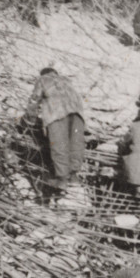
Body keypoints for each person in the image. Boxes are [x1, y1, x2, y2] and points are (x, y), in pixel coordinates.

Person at [25, 67, 85, 196]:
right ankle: (73, 175)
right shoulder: (67, 80)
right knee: (75, 145)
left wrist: (30, 118)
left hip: (57, 113)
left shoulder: (43, 79)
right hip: (78, 115)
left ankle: (62, 178)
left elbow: (35, 99)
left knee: (59, 145)